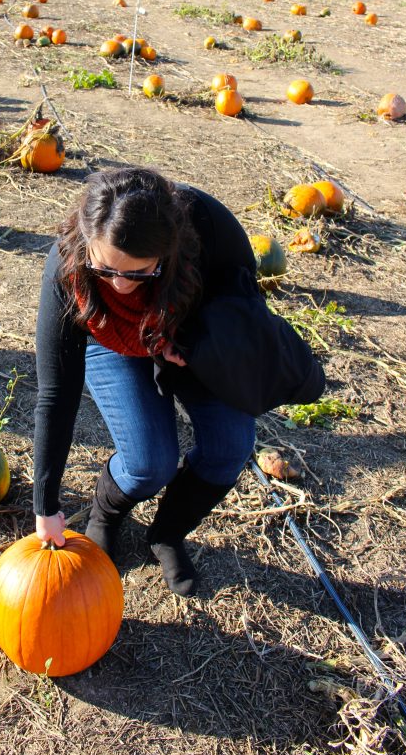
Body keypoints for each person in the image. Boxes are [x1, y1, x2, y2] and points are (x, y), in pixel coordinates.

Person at [33, 167, 325, 596]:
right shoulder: (68, 267)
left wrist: (185, 338)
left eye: (137, 273)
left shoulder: (208, 227)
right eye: (105, 268)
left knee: (230, 447)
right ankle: (106, 514)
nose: (119, 284)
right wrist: (47, 504)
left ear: (166, 253)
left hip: (183, 334)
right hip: (108, 338)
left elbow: (240, 311)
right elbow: (56, 394)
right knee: (149, 464)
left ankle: (166, 533)